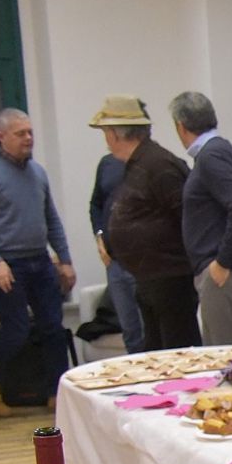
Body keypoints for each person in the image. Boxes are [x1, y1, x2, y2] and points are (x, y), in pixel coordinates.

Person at [0, 108, 73, 416]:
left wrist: (65, 259)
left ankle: (56, 394)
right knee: (16, 331)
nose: (28, 138)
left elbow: (51, 218)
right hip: (5, 265)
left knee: (53, 328)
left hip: (40, 261)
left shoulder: (37, 172)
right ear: (1, 136)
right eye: (20, 133)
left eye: (30, 132)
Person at [89, 95, 200, 350]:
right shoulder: (138, 162)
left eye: (106, 133)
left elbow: (188, 218)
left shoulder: (159, 164)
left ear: (115, 134)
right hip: (150, 279)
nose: (106, 140)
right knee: (156, 352)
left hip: (170, 281)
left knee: (177, 352)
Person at [170, 91, 232, 344]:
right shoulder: (218, 151)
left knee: (230, 358)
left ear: (180, 126)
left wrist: (222, 262)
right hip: (226, 275)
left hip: (227, 276)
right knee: (220, 356)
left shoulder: (211, 156)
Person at [88, 151, 144, 353]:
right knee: (130, 331)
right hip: (114, 262)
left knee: (149, 329)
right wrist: (99, 236)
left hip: (144, 262)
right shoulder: (107, 163)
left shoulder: (150, 163)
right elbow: (95, 204)